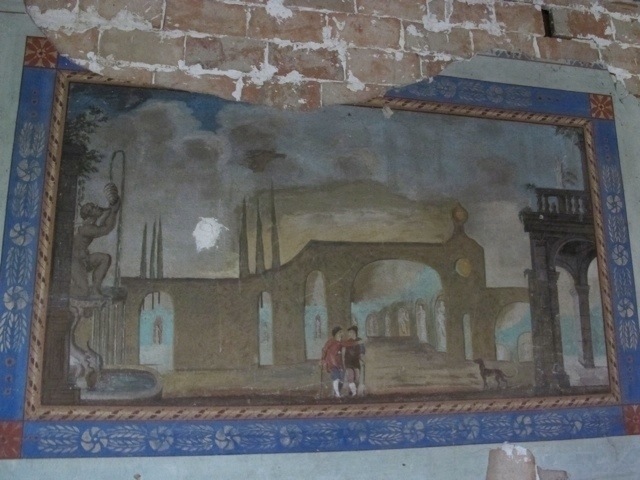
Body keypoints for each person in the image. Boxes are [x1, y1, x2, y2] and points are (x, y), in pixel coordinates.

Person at [70, 182, 120, 298]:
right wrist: (113, 210)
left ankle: (96, 289)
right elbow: (106, 229)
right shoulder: (85, 229)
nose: (96, 207)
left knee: (105, 258)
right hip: (75, 262)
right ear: (89, 215)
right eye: (92, 208)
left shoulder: (91, 224)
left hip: (84, 259)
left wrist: (113, 204)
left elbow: (106, 213)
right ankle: (63, 289)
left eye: (93, 205)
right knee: (83, 292)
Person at [321, 326, 345, 398]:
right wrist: (322, 359)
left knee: (341, 379)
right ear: (336, 333)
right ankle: (337, 394)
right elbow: (324, 350)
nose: (341, 334)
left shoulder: (341, 342)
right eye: (340, 332)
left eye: (341, 332)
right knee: (336, 377)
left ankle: (336, 392)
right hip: (332, 363)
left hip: (339, 363)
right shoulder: (331, 341)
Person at [343, 326, 365, 397]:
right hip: (348, 361)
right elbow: (344, 352)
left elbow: (362, 351)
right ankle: (354, 393)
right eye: (349, 333)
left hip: (356, 362)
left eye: (351, 332)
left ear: (355, 333)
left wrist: (362, 358)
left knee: (357, 378)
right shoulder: (348, 342)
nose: (350, 334)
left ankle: (354, 391)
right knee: (351, 377)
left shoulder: (359, 341)